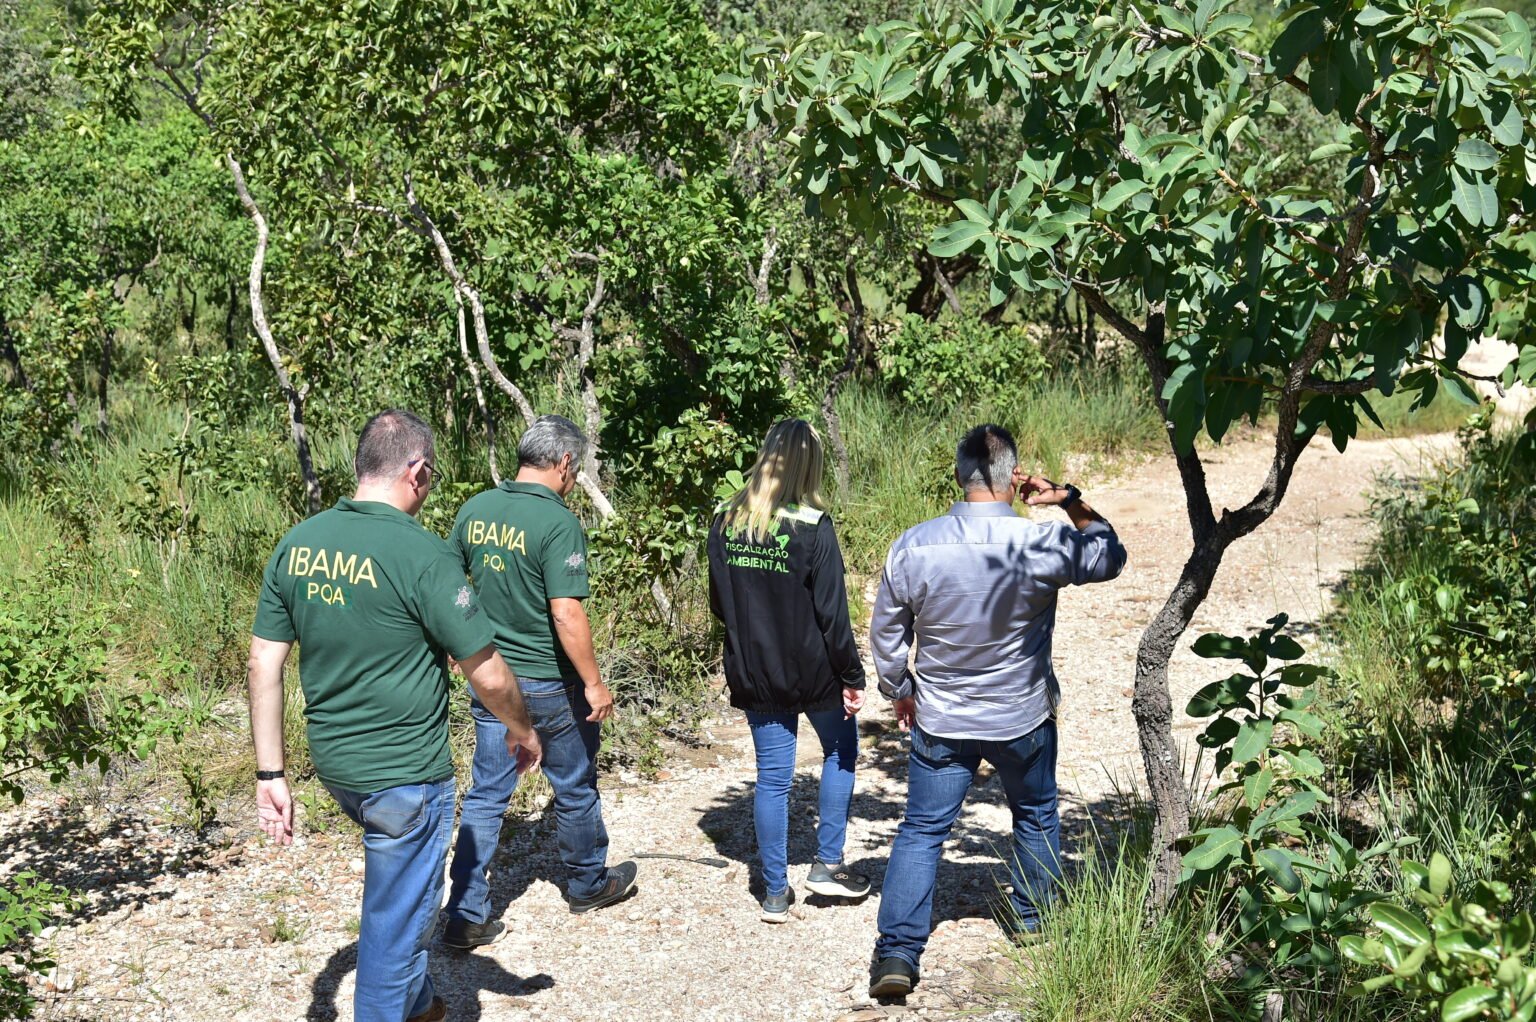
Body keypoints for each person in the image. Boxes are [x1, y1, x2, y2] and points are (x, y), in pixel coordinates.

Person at [247, 409, 543, 1022]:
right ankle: (393, 1005)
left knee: (397, 898)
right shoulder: (423, 555)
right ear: (417, 472)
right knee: (395, 932)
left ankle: (420, 1005)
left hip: (337, 768)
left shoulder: (297, 544)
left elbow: (262, 666)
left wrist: (270, 776)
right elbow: (487, 671)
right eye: (429, 480)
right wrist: (522, 727)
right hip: (404, 773)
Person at [865, 423, 1128, 999]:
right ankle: (1034, 924)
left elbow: (886, 633)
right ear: (1015, 478)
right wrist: (1070, 498)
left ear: (959, 477)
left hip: (942, 717)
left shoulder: (915, 544)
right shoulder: (1042, 543)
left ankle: (898, 953)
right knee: (1035, 813)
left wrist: (898, 690)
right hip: (1021, 715)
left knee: (922, 830)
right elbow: (1110, 555)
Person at [443, 414, 638, 946]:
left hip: (489, 677)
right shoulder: (557, 522)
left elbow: (443, 584)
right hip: (548, 683)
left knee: (486, 794)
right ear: (565, 463)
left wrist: (455, 649)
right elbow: (566, 612)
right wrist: (595, 683)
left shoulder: (476, 509)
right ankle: (587, 883)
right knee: (573, 784)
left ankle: (465, 913)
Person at [707, 418, 869, 923]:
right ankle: (826, 864)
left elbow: (718, 601)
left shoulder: (724, 519)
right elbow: (832, 615)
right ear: (809, 465)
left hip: (756, 669)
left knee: (772, 779)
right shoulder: (813, 525)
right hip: (816, 669)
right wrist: (852, 675)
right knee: (840, 750)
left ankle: (775, 892)